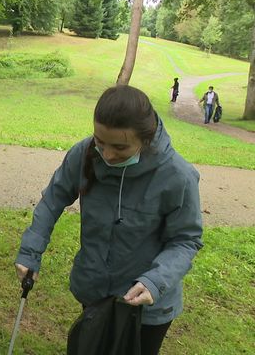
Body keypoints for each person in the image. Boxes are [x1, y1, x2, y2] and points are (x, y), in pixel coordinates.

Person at [15, 85, 203, 355]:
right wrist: (30, 251)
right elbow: (53, 199)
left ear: (146, 139)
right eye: (100, 142)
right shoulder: (84, 153)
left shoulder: (177, 176)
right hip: (96, 292)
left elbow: (186, 240)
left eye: (120, 147)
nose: (108, 154)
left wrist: (154, 281)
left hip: (147, 306)